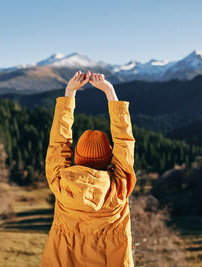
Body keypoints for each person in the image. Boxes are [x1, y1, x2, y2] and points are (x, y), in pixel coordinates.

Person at [41, 70, 137, 267]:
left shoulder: (59, 182)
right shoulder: (119, 188)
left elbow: (59, 142)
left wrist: (69, 92)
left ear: (76, 157)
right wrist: (110, 92)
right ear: (109, 159)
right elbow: (124, 142)